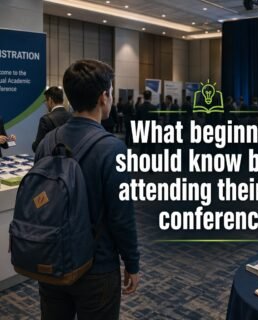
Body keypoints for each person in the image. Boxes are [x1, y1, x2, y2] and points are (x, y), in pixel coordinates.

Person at [35, 59, 140, 319]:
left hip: (51, 260)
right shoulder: (112, 148)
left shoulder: (47, 142)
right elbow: (121, 216)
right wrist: (132, 262)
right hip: (97, 266)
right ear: (104, 97)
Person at [32, 86, 72, 152]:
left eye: (46, 101)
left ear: (50, 100)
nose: (46, 104)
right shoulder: (72, 117)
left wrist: (34, 144)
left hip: (51, 160)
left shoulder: (45, 120)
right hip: (69, 159)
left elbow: (38, 147)